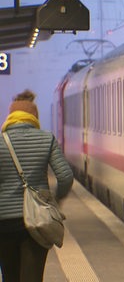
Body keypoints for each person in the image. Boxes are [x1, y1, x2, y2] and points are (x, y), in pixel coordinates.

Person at [0, 89, 73, 282]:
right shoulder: (46, 138)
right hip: (37, 221)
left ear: (10, 117)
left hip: (3, 222)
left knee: (9, 275)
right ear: (34, 117)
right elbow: (65, 177)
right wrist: (54, 201)